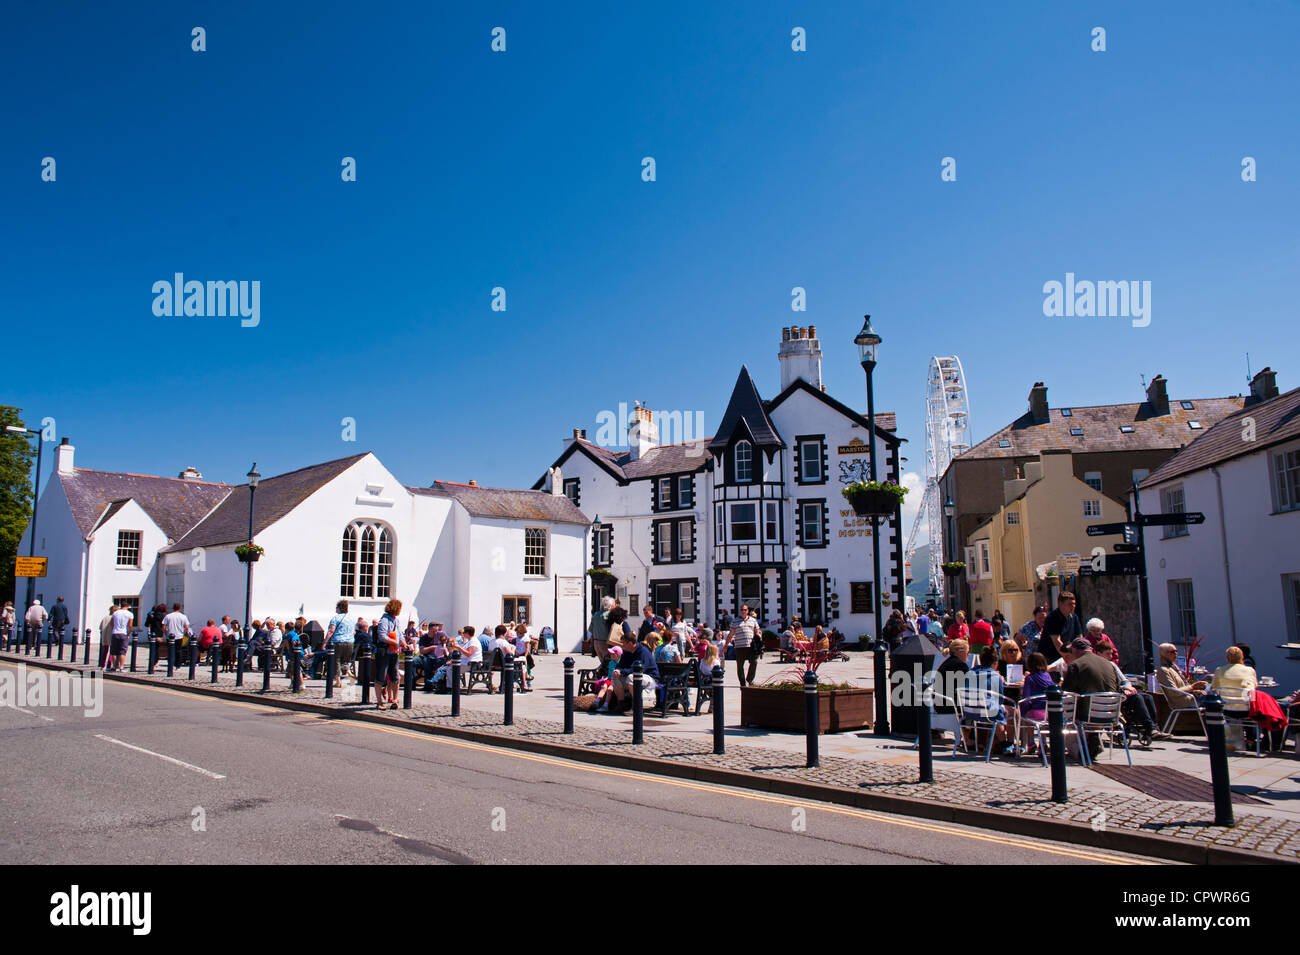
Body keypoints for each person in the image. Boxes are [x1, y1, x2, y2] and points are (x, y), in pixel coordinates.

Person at [1094, 639, 1164, 745]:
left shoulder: (1112, 665)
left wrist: (1128, 687)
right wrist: (1124, 689)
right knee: (1137, 698)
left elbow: (1124, 680)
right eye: (1107, 654)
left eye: (1111, 654)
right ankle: (1148, 726)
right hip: (1113, 696)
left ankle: (1154, 727)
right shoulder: (1097, 666)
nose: (1110, 656)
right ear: (1099, 653)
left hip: (1123, 693)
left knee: (1147, 697)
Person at [1061, 636, 1122, 726]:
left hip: (1088, 714)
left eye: (1071, 651)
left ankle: (1079, 739)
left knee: (1062, 708)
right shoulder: (1109, 664)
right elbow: (1117, 686)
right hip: (1110, 713)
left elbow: (1067, 691)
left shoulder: (1076, 665)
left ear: (1076, 650)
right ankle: (1092, 736)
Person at [607, 630, 659, 713]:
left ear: (630, 643)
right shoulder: (627, 652)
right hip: (633, 676)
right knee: (615, 677)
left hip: (649, 677)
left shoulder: (642, 652)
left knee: (632, 677)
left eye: (624, 643)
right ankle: (621, 704)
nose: (622, 646)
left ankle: (636, 706)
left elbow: (640, 670)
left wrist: (622, 671)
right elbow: (621, 665)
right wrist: (617, 670)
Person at [1018, 653, 1055, 755]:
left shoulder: (1030, 678)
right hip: (1048, 712)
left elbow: (1026, 697)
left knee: (1027, 717)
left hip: (1036, 712)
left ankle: (1030, 742)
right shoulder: (1048, 676)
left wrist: (1022, 711)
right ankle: (1043, 742)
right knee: (1041, 722)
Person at [1040, 592, 1082, 665]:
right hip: (1050, 657)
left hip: (1068, 654)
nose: (1073, 606)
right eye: (1069, 604)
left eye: (1074, 604)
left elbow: (1079, 637)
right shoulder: (1052, 618)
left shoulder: (1074, 617)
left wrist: (1080, 653)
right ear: (1060, 604)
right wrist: (1068, 658)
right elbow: (1057, 642)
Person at [375, 599, 402, 709]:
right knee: (381, 676)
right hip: (384, 652)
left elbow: (400, 634)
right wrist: (394, 642)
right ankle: (379, 702)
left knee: (395, 675)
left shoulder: (396, 620)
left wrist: (404, 643)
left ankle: (394, 699)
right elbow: (382, 636)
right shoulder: (384, 620)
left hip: (394, 652)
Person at [934, 639, 970, 718]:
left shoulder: (946, 663)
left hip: (939, 706)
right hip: (952, 707)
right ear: (960, 652)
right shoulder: (961, 666)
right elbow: (966, 689)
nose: (969, 655)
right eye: (967, 652)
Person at [728, 603, 761, 688]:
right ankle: (742, 683)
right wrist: (725, 646)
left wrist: (758, 641)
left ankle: (749, 679)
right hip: (739, 646)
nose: (743, 611)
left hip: (751, 646)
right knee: (740, 665)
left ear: (748, 611)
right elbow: (731, 634)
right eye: (742, 610)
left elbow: (757, 632)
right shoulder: (735, 621)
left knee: (754, 662)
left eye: (745, 610)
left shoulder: (753, 620)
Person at [325, 600, 355, 686]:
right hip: (350, 642)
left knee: (336, 660)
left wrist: (325, 642)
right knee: (345, 660)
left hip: (338, 641)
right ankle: (348, 670)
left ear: (339, 608)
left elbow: (331, 630)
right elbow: (354, 632)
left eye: (336, 607)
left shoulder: (336, 618)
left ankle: (338, 681)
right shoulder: (351, 619)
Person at [109, 602, 134, 672]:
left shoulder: (115, 613)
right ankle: (121, 667)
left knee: (114, 651)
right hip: (124, 633)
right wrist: (128, 634)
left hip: (115, 632)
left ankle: (114, 667)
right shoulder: (130, 614)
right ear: (127, 607)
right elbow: (130, 625)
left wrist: (113, 630)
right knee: (122, 651)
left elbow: (111, 623)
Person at [591, 595, 614, 662]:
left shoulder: (596, 614)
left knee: (603, 663)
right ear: (610, 605)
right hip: (605, 643)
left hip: (596, 643)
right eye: (613, 605)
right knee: (608, 664)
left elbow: (591, 629)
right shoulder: (608, 615)